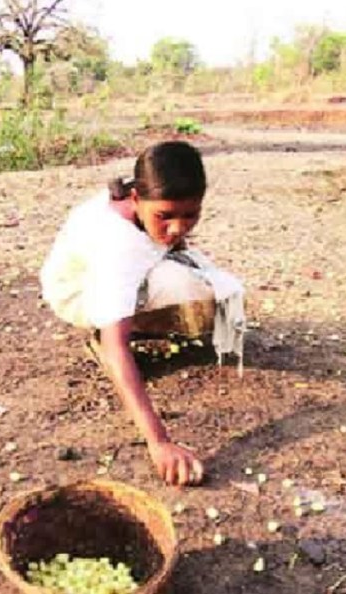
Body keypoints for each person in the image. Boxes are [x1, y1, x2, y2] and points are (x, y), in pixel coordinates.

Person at [40, 140, 244, 487]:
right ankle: (110, 327)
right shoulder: (119, 247)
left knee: (228, 292)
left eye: (190, 214)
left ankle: (122, 319)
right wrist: (159, 442)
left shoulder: (140, 196)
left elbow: (171, 235)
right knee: (196, 296)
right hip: (76, 294)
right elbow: (116, 347)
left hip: (107, 276)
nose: (179, 227)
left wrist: (169, 238)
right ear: (136, 200)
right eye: (165, 217)